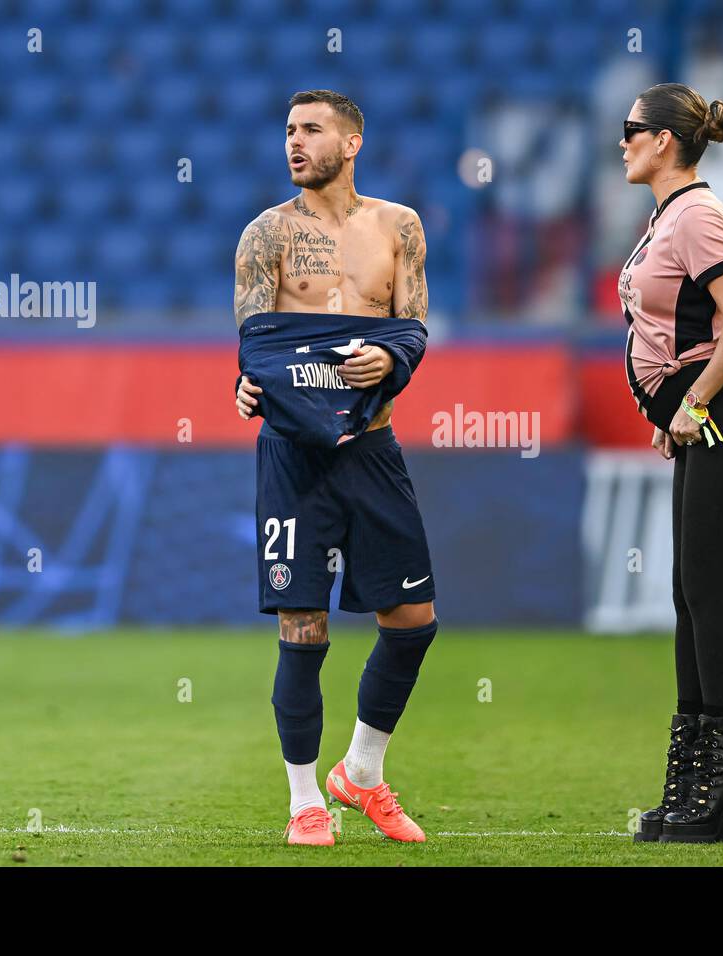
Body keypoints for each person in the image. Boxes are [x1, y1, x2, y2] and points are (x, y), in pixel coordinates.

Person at [232, 90, 436, 847]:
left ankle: (362, 772)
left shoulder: (399, 226)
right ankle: (303, 801)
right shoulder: (266, 234)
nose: (295, 141)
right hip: (296, 457)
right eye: (288, 129)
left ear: (351, 143)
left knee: (413, 620)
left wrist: (389, 357)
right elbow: (258, 344)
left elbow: (413, 327)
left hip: (374, 450)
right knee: (303, 626)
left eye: (311, 129)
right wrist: (248, 384)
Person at [617, 83, 723, 843]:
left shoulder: (695, 213)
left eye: (632, 128)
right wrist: (673, 409)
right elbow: (678, 331)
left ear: (663, 141)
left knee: (706, 589)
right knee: (689, 592)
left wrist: (692, 401)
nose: (622, 140)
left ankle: (720, 777)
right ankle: (693, 778)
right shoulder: (669, 215)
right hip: (705, 418)